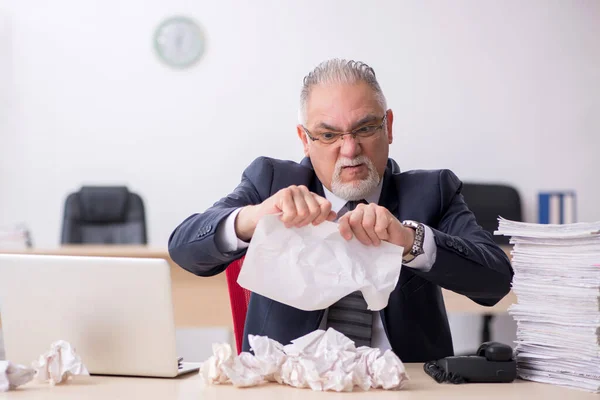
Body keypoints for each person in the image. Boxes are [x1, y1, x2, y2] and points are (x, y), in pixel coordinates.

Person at [168, 59, 513, 362]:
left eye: (364, 129)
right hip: (289, 387)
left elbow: (496, 280)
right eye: (328, 135)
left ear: (388, 127)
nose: (349, 150)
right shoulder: (271, 180)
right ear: (305, 140)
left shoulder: (433, 191)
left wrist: (410, 241)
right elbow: (184, 248)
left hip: (403, 386)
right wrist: (253, 217)